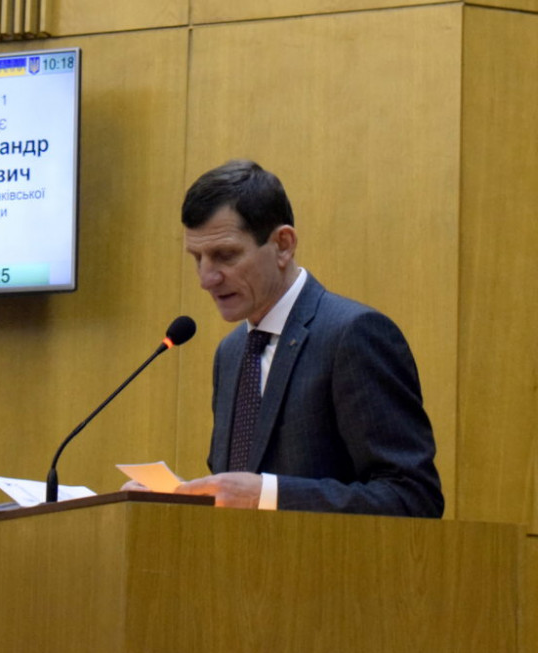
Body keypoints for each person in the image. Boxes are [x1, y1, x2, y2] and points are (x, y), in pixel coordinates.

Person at [128, 159, 444, 517]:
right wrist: (182, 500)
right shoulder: (231, 352)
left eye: (225, 256)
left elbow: (413, 498)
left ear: (283, 245)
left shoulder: (352, 335)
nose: (206, 278)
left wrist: (269, 495)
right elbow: (237, 497)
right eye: (197, 258)